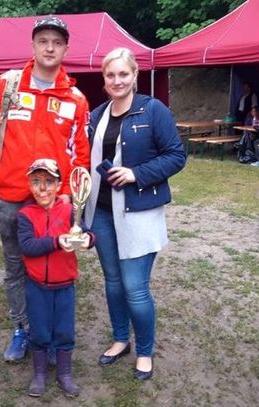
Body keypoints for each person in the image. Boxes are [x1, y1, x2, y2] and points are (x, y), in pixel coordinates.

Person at [0, 15, 90, 363]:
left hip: (54, 202)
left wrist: (69, 193)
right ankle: (23, 329)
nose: (50, 48)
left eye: (57, 42)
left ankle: (48, 334)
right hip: (10, 197)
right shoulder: (7, 85)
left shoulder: (76, 99)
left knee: (52, 267)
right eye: (43, 41)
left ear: (66, 48)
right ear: (33, 45)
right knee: (16, 268)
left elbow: (80, 153)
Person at [84, 48, 186, 381]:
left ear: (134, 75)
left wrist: (135, 174)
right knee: (113, 283)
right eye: (110, 75)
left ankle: (144, 351)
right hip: (101, 212)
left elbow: (176, 156)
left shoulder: (153, 110)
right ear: (104, 79)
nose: (117, 81)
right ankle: (119, 339)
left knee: (134, 288)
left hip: (138, 212)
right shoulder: (97, 115)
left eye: (123, 74)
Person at [17, 158, 94, 398]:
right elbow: (28, 246)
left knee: (64, 331)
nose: (42, 188)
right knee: (39, 331)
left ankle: (65, 374)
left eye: (49, 182)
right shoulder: (25, 215)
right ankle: (39, 375)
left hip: (64, 286)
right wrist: (57, 241)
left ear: (59, 185)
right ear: (29, 185)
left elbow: (88, 233)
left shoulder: (70, 211)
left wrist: (87, 240)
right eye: (36, 182)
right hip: (37, 286)